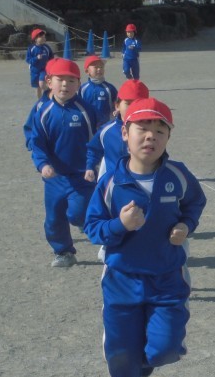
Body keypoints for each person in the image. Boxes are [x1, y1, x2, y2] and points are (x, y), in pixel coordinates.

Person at [84, 98, 207, 377]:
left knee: (164, 350)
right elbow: (93, 228)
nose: (151, 136)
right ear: (125, 133)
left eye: (159, 131)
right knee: (121, 351)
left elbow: (195, 203)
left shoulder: (178, 176)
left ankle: (145, 362)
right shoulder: (111, 182)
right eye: (142, 129)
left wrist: (186, 225)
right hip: (121, 281)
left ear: (168, 137)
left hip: (167, 279)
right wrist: (120, 225)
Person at [24, 58, 97, 268]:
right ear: (49, 82)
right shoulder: (43, 111)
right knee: (54, 218)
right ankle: (63, 251)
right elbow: (37, 142)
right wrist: (43, 164)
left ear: (79, 84)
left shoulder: (85, 111)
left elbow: (95, 141)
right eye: (60, 80)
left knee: (77, 214)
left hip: (82, 176)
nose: (65, 84)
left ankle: (100, 227)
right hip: (55, 177)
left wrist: (92, 165)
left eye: (71, 80)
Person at [85, 79, 150, 183]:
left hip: (142, 183)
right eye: (128, 103)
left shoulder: (151, 131)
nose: (133, 108)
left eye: (138, 104)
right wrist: (90, 166)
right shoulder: (106, 131)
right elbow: (93, 149)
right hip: (113, 184)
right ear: (117, 105)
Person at [80, 55, 118, 128]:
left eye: (101, 67)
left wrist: (116, 110)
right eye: (96, 67)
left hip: (106, 124)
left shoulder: (109, 88)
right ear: (87, 71)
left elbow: (117, 103)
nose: (99, 69)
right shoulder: (83, 89)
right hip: (88, 125)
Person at [26, 28, 54, 99]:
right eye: (42, 37)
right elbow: (28, 60)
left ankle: (52, 94)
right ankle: (40, 101)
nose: (44, 38)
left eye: (44, 37)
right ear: (35, 39)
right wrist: (36, 58)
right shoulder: (31, 48)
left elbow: (51, 58)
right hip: (34, 71)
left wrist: (51, 65)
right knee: (38, 88)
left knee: (42, 84)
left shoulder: (46, 47)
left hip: (44, 70)